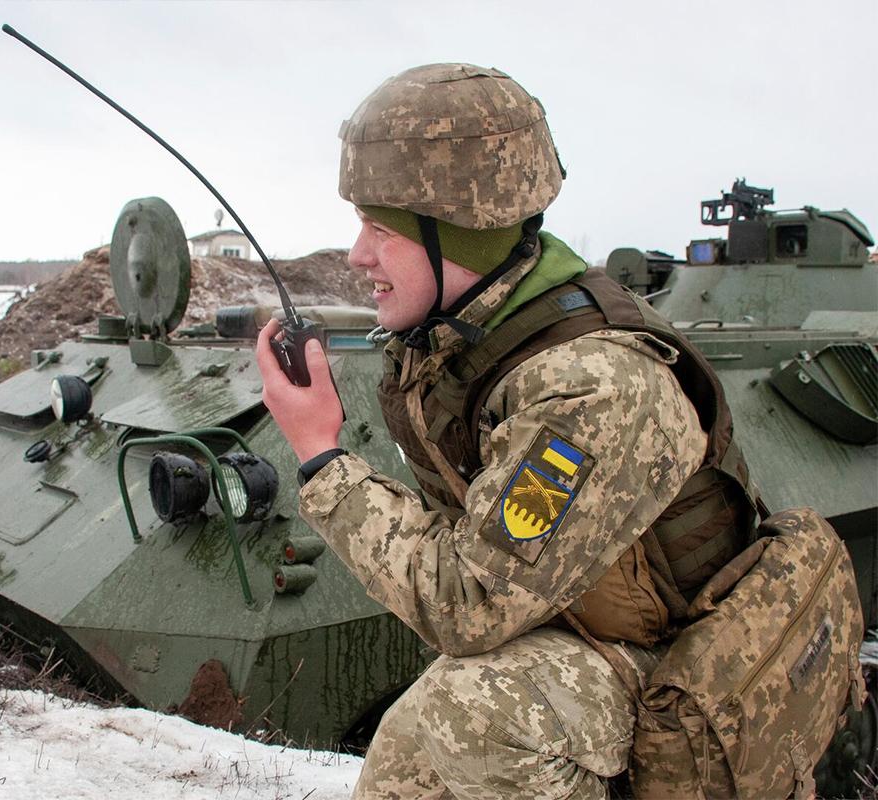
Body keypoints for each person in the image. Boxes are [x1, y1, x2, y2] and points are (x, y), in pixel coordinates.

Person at [255, 64, 758, 799]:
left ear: (456, 234)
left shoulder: (592, 388)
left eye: (380, 229)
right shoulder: (476, 332)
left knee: (480, 712)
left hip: (687, 659)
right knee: (410, 750)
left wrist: (320, 456)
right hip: (586, 618)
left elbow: (468, 604)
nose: (358, 255)